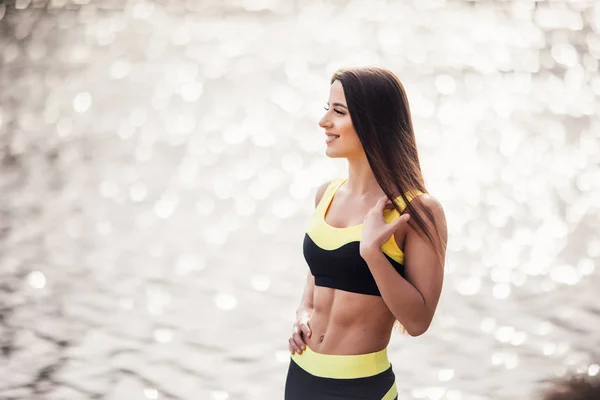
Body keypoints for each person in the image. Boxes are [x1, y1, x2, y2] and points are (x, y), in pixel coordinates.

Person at [283, 66, 448, 400]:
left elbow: (418, 322)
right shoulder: (326, 195)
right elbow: (317, 275)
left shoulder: (417, 212)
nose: (324, 121)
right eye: (326, 108)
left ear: (373, 122)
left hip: (361, 389)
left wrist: (373, 253)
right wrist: (303, 313)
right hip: (300, 376)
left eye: (338, 111)